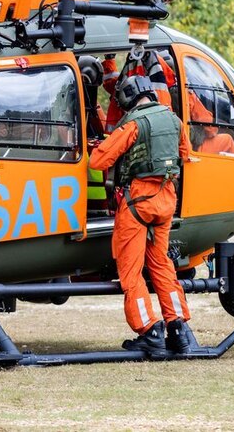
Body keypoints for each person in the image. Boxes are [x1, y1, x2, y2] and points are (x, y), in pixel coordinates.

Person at [89, 74, 200, 357]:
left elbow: (98, 161)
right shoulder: (174, 120)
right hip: (166, 202)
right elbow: (185, 154)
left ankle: (149, 330)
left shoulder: (134, 124)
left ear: (127, 99)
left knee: (131, 272)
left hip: (138, 203)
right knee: (162, 265)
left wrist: (101, 144)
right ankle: (178, 328)